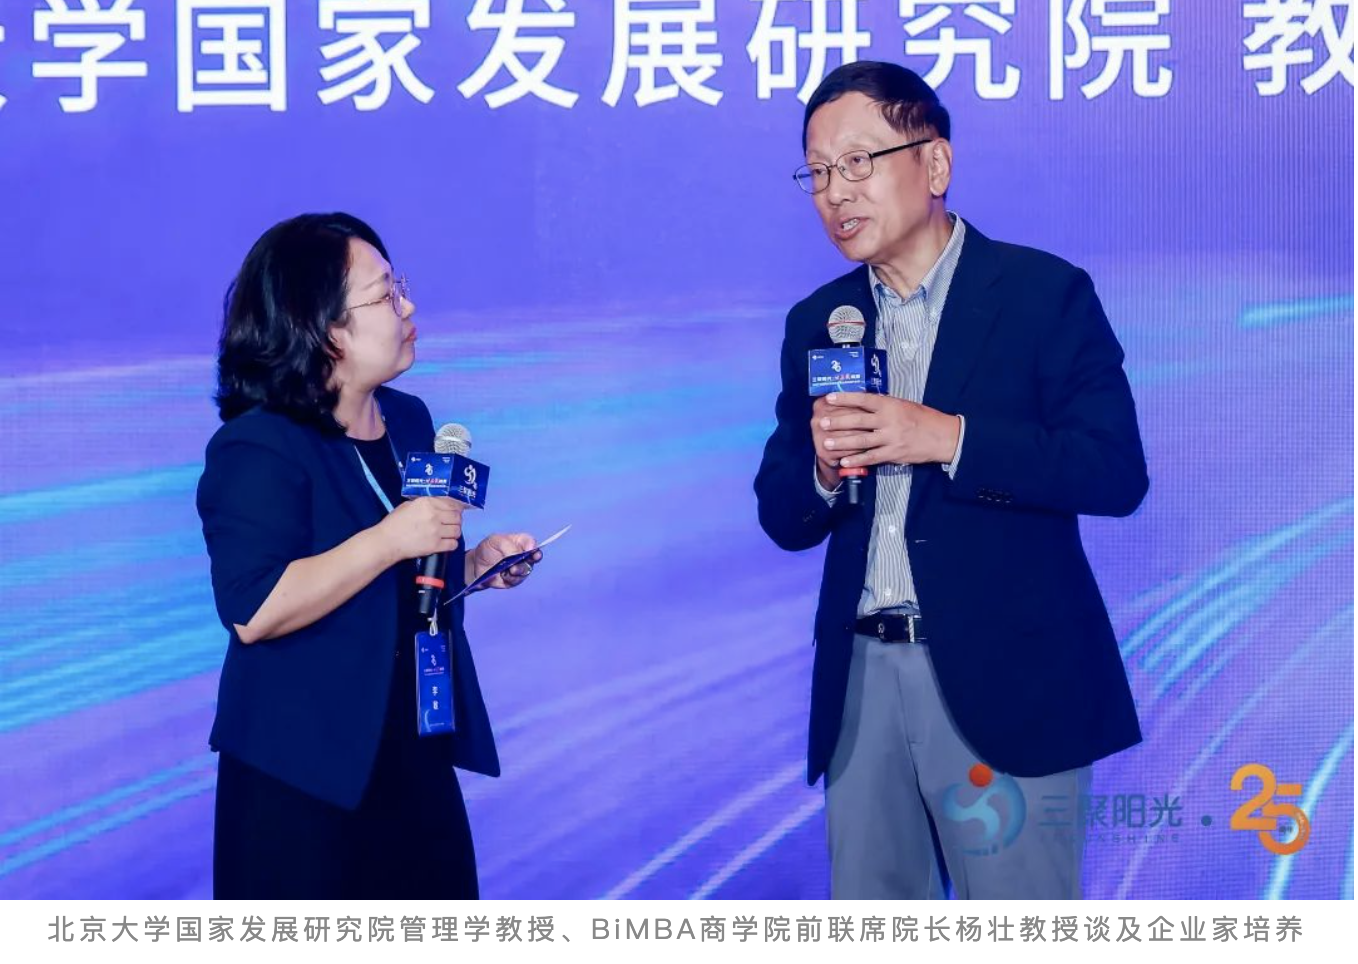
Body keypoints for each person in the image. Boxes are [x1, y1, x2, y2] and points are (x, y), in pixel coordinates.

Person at [754, 62, 1148, 899]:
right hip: (863, 682)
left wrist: (948, 438)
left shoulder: (1043, 295)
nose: (835, 193)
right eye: (817, 172)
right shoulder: (819, 321)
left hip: (1010, 680)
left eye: (857, 162)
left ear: (933, 164)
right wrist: (821, 469)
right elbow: (782, 514)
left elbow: (1114, 471)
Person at [197, 212, 540, 898]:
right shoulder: (259, 445)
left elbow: (406, 579)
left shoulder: (409, 420)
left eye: (400, 287)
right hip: (304, 777)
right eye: (385, 296)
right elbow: (254, 610)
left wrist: (474, 568)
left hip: (413, 751)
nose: (408, 308)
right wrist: (389, 540)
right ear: (326, 329)